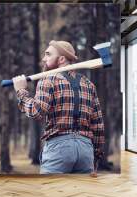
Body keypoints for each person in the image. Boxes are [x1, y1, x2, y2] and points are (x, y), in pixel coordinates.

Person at [12, 40, 105, 174]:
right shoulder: (88, 84)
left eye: (48, 54)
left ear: (61, 59)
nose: (44, 58)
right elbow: (98, 125)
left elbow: (36, 112)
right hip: (86, 150)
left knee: (51, 193)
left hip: (59, 149)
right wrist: (95, 156)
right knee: (80, 194)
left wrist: (21, 91)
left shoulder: (48, 79)